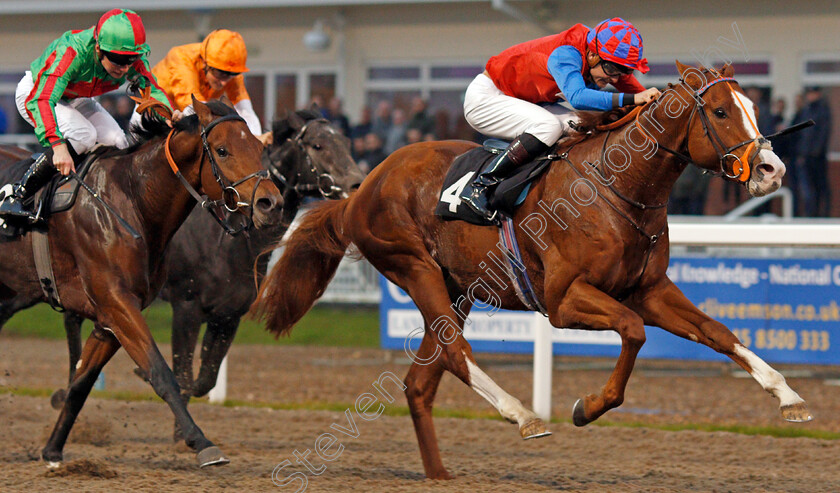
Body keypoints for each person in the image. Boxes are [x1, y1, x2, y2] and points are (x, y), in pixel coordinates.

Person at [460, 17, 660, 222]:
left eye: (624, 72)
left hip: (522, 99)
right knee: (549, 126)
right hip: (488, 98)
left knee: (582, 127)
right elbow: (578, 97)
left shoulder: (604, 58)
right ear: (592, 55)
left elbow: (644, 95)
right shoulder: (566, 54)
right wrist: (634, 99)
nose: (615, 79)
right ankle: (479, 186)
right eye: (611, 71)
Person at [0, 8, 175, 222]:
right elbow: (43, 99)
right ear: (100, 48)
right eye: (118, 59)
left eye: (131, 59)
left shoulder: (129, 61)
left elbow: (152, 90)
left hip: (75, 97)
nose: (124, 68)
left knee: (117, 142)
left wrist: (168, 115)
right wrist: (58, 146)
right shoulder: (72, 52)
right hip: (35, 94)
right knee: (84, 135)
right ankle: (18, 193)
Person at [149, 29, 264, 139]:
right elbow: (195, 107)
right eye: (220, 73)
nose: (224, 82)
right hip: (151, 113)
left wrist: (256, 140)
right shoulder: (181, 57)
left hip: (185, 115)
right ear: (205, 63)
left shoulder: (229, 71)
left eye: (231, 75)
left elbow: (246, 112)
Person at [793, 86, 832, 217]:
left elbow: (823, 133)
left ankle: (824, 213)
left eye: (812, 94)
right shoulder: (807, 110)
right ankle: (812, 212)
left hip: (817, 156)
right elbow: (802, 134)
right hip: (806, 156)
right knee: (809, 187)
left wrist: (816, 152)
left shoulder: (822, 110)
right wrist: (802, 153)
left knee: (821, 185)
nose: (810, 96)